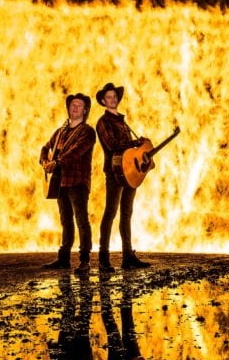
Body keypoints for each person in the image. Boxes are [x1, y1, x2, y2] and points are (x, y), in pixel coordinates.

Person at [95, 82, 151, 271]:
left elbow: (128, 149)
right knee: (110, 213)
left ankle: (128, 257)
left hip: (129, 172)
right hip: (114, 172)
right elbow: (111, 145)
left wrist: (139, 146)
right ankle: (103, 258)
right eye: (108, 97)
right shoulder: (103, 122)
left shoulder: (122, 121)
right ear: (103, 101)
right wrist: (134, 142)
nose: (112, 99)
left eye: (114, 96)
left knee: (126, 214)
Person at [40, 93, 96, 274]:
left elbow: (75, 152)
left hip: (78, 181)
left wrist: (56, 163)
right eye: (72, 105)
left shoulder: (87, 132)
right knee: (65, 220)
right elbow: (45, 148)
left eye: (79, 105)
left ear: (85, 110)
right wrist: (44, 162)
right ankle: (63, 258)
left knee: (81, 220)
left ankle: (85, 261)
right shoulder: (60, 132)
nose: (75, 108)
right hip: (60, 182)